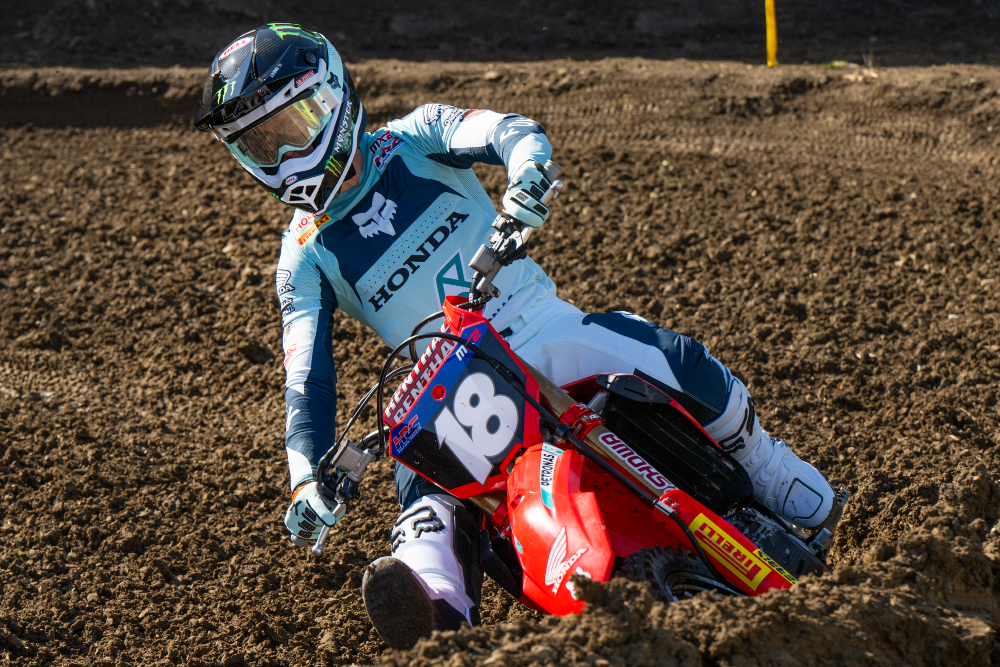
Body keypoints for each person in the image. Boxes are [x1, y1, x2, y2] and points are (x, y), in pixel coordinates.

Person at [195, 24, 838, 648]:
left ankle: (768, 470)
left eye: (289, 128)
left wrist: (527, 173)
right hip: (445, 385)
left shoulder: (413, 137)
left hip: (533, 324)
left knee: (667, 356)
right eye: (260, 147)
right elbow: (305, 379)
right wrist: (306, 479)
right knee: (421, 504)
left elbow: (508, 131)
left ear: (331, 95)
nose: (283, 157)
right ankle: (438, 615)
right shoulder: (302, 256)